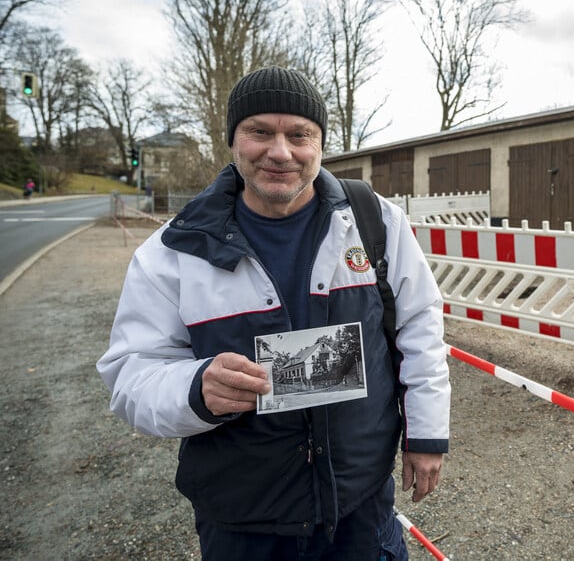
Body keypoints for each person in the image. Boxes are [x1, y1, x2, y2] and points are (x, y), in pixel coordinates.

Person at [97, 66, 451, 560]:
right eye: (260, 131)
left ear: (320, 143)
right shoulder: (176, 250)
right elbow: (130, 374)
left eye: (299, 135)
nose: (280, 152)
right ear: (233, 140)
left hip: (361, 509)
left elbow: (420, 327)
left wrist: (426, 435)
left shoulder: (375, 221)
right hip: (242, 520)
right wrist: (196, 388)